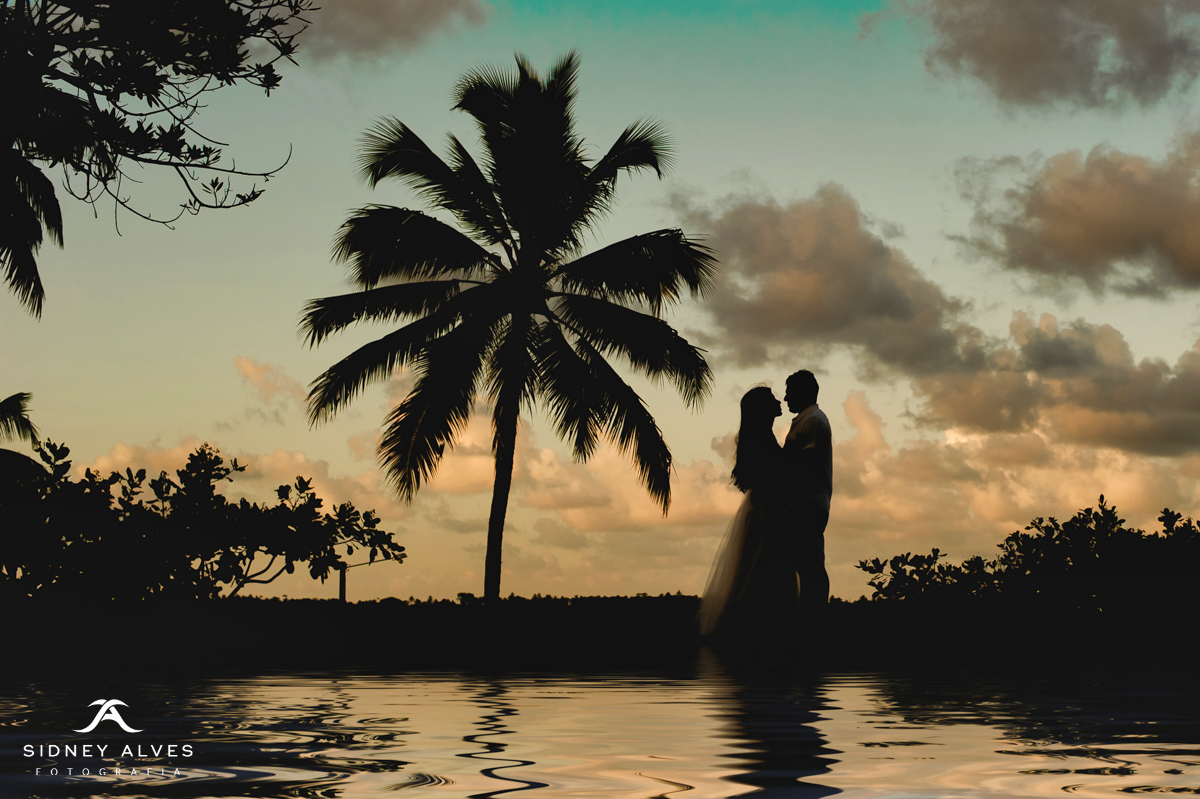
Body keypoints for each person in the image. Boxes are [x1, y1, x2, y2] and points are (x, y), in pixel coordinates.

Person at [698, 386, 795, 636]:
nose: (779, 401)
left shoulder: (760, 438)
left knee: (757, 574)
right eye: (772, 398)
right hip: (765, 515)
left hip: (762, 511)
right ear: (763, 409)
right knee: (760, 573)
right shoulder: (761, 441)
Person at [782, 369, 832, 614]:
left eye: (789, 392)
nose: (785, 398)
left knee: (810, 565)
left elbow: (805, 463)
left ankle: (814, 618)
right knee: (807, 564)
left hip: (806, 503)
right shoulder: (808, 418)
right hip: (805, 502)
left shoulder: (811, 420)